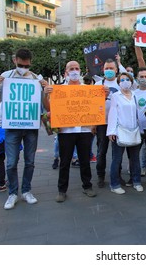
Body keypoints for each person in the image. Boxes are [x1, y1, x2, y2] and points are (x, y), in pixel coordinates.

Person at [0, 48, 48, 209]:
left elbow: (45, 102)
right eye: (21, 65)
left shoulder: (37, 78)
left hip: (31, 127)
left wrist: (46, 89)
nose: (24, 68)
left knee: (30, 161)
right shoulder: (6, 76)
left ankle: (26, 190)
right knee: (11, 162)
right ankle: (12, 193)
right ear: (15, 60)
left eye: (27, 66)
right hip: (11, 127)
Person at [44, 61, 100, 202]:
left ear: (80, 71)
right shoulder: (58, 90)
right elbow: (48, 107)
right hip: (65, 131)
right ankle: (62, 190)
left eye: (77, 68)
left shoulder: (88, 89)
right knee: (65, 162)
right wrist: (45, 95)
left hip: (84, 130)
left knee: (85, 160)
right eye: (71, 69)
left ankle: (87, 186)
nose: (74, 71)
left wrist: (94, 124)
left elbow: (94, 106)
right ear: (66, 72)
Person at [107, 72, 143, 194]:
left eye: (127, 79)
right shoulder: (116, 96)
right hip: (119, 131)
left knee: (135, 158)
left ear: (132, 81)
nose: (125, 81)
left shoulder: (135, 95)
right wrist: (111, 131)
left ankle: (136, 181)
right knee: (116, 159)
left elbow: (138, 112)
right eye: (122, 80)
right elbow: (112, 113)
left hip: (134, 130)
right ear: (118, 83)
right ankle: (114, 184)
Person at [94, 58, 120, 188]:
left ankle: (117, 175)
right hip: (102, 123)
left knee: (117, 151)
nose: (109, 71)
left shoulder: (121, 83)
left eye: (111, 68)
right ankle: (100, 175)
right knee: (101, 151)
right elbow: (92, 105)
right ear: (103, 70)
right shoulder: (97, 84)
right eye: (106, 68)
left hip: (117, 123)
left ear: (116, 70)